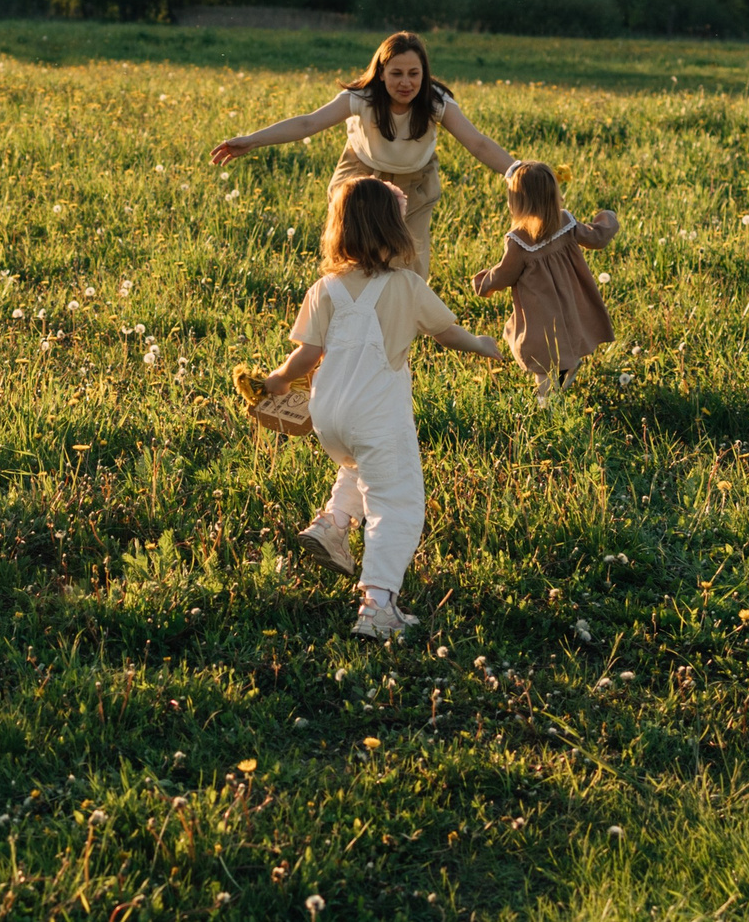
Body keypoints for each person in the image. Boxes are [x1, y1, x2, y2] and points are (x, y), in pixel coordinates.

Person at [240, 175, 504, 637]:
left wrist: (278, 380)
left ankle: (333, 523)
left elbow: (306, 354)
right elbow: (447, 333)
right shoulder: (406, 285)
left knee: (360, 466)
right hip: (377, 415)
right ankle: (378, 605)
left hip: (328, 417)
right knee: (396, 500)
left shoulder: (326, 288)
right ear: (394, 231)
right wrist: (481, 344)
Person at [208, 31, 513, 277]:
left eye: (413, 73)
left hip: (415, 182)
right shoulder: (361, 98)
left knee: (408, 265)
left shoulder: (436, 102)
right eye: (396, 73)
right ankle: (342, 313)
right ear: (380, 73)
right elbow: (309, 122)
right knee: (354, 255)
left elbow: (478, 143)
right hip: (362, 176)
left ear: (424, 73)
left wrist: (518, 172)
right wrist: (252, 140)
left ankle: (399, 329)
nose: (405, 82)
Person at [471, 161, 619, 405]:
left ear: (518, 202)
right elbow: (595, 237)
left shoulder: (518, 240)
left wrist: (483, 283)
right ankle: (565, 374)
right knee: (567, 334)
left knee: (540, 351)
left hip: (539, 307)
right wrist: (608, 219)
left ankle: (546, 403)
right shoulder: (565, 222)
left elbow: (505, 274)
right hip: (570, 297)